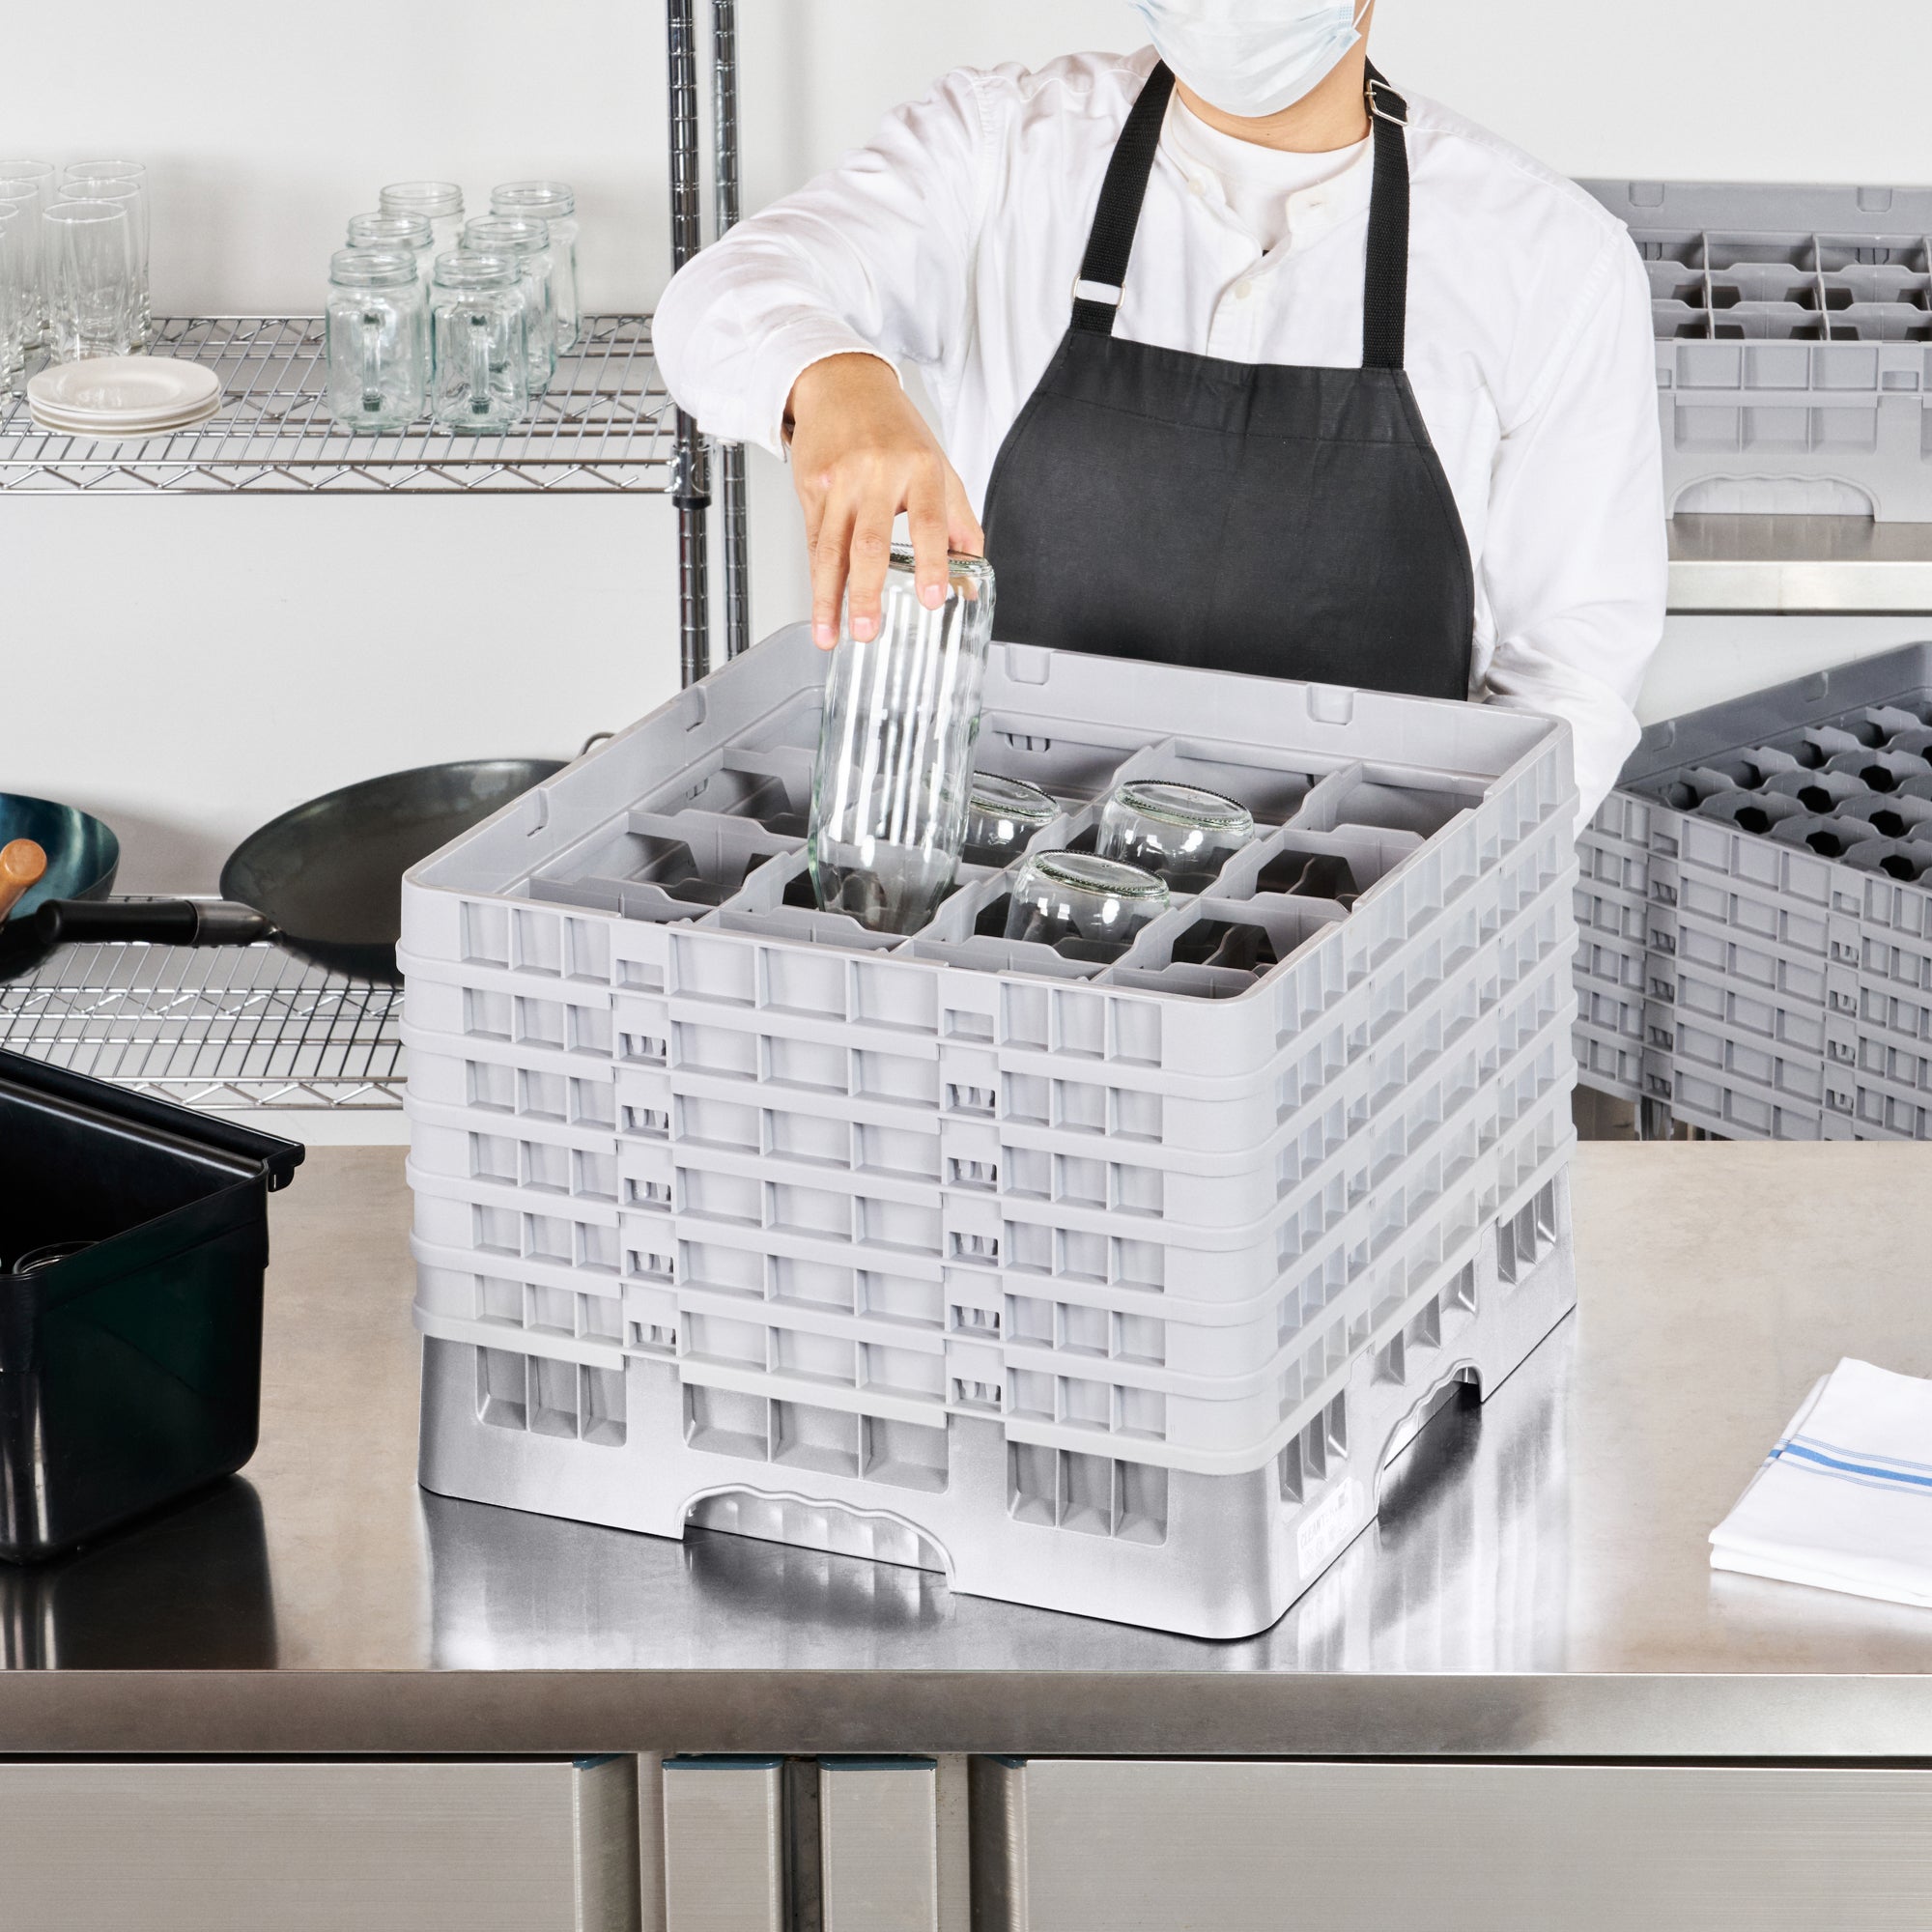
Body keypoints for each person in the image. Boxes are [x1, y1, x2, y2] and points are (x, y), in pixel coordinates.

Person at [655, 0, 1666, 828]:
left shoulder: (1547, 257)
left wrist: (1436, 905)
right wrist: (835, 378)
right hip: (995, 915)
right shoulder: (1000, 149)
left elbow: (1570, 686)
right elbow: (719, 298)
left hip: (1372, 929)